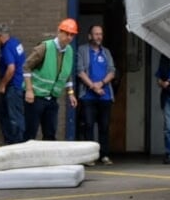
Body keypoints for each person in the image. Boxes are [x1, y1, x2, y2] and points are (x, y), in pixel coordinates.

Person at [23, 18, 79, 141]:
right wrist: (29, 90)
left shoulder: (69, 51)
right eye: (67, 33)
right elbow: (26, 66)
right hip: (35, 97)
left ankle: (48, 160)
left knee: (50, 134)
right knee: (30, 133)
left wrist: (70, 93)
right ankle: (27, 160)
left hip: (52, 98)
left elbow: (66, 73)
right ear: (59, 31)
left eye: (72, 35)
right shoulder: (44, 47)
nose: (69, 37)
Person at [77, 24, 117, 165]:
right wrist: (93, 86)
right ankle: (90, 157)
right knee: (88, 125)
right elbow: (80, 71)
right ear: (89, 36)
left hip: (105, 96)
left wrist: (101, 83)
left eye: (100, 34)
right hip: (88, 96)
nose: (99, 36)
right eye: (96, 34)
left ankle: (104, 155)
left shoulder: (106, 52)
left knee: (104, 127)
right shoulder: (82, 50)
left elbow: (112, 71)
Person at [0, 23, 26, 144]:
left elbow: (11, 68)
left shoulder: (7, 47)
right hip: (18, 84)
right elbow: (5, 57)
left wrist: (2, 85)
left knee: (14, 116)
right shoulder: (14, 42)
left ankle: (17, 143)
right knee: (2, 112)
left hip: (13, 86)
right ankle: (11, 140)